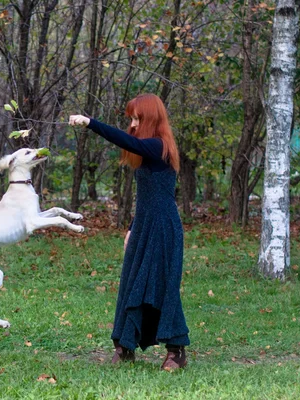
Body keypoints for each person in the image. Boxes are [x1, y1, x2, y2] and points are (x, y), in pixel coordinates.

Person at [69, 93, 189, 371]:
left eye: (138, 118)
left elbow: (130, 142)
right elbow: (147, 196)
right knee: (132, 283)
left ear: (151, 119)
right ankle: (125, 347)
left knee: (161, 285)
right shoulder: (147, 153)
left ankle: (176, 350)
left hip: (163, 227)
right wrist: (133, 227)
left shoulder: (160, 146)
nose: (133, 124)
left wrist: (90, 123)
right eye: (131, 119)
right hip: (145, 225)